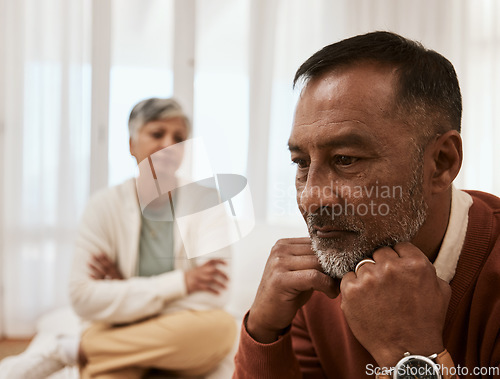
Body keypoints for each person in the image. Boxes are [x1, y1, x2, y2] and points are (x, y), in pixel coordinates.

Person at [234, 32, 500, 378]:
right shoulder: (318, 282)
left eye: (345, 159)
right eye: (301, 163)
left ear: (442, 162)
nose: (311, 197)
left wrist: (411, 353)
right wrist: (264, 333)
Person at [0, 98, 236, 379]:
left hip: (166, 333)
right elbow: (82, 296)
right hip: (166, 341)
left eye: (179, 138)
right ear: (131, 144)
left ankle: (74, 350)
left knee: (222, 327)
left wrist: (124, 290)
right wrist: (181, 283)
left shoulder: (207, 201)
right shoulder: (103, 206)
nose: (169, 144)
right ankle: (113, 352)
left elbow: (215, 294)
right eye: (157, 133)